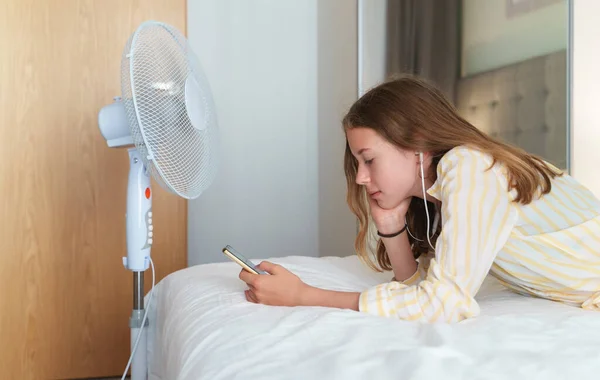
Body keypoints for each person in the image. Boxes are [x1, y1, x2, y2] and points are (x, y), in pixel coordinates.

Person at [239, 75, 600, 323]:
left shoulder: (471, 167)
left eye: (369, 159)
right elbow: (419, 290)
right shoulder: (440, 194)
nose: (362, 178)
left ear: (417, 144)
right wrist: (392, 227)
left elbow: (442, 304)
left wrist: (304, 295)